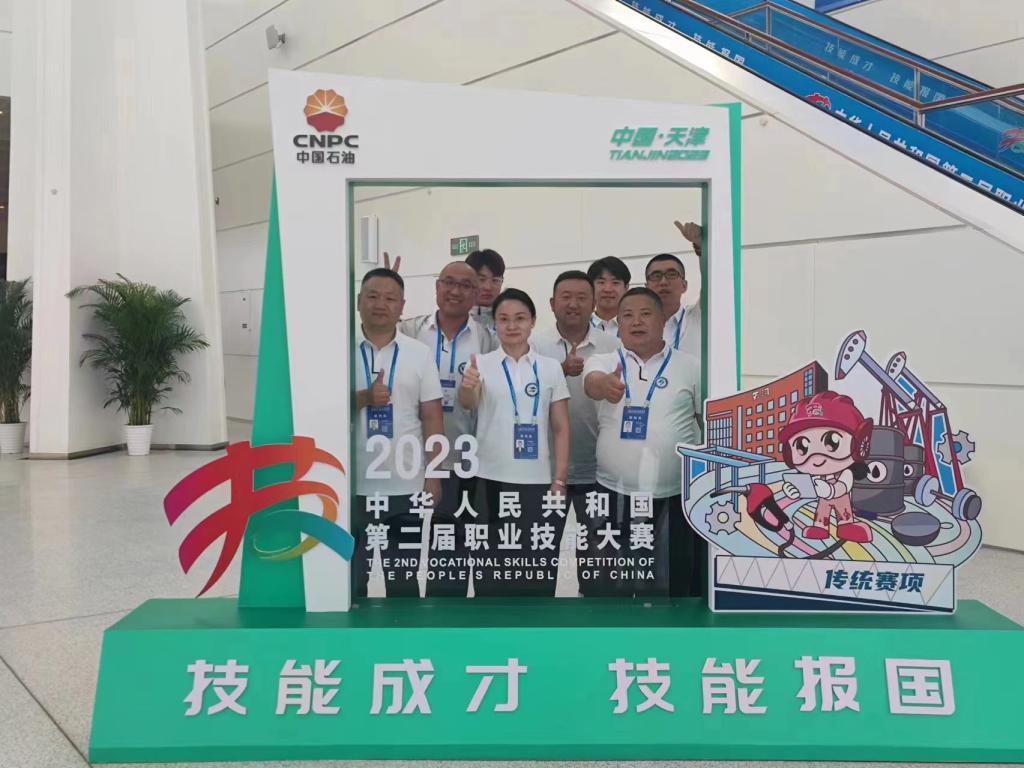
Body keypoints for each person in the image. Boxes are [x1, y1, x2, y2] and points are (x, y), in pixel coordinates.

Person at [583, 287, 704, 597]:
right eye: (627, 315)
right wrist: (606, 384)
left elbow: (705, 420)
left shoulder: (690, 366)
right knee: (610, 584)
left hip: (674, 494)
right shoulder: (604, 361)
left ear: (662, 319)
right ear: (619, 324)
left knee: (672, 583)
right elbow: (591, 383)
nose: (636, 321)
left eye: (645, 314)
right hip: (613, 491)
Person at [459, 288, 570, 596]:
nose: (512, 326)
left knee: (537, 566)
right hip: (489, 478)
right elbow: (468, 404)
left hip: (537, 481)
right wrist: (468, 386)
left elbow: (561, 427)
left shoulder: (550, 367)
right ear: (494, 324)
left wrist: (559, 480)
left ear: (532, 321)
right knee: (490, 567)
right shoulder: (480, 363)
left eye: (520, 318)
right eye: (504, 319)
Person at [398, 262, 495, 595]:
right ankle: (408, 607)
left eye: (465, 286)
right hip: (410, 454)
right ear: (437, 287)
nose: (455, 291)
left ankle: (447, 605)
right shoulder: (411, 330)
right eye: (448, 283)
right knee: (402, 540)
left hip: (463, 457)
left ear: (476, 294)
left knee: (451, 537)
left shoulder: (486, 338)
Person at [352, 268, 445, 598]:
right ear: (358, 301)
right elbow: (326, 410)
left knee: (403, 577)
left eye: (390, 298)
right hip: (352, 486)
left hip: (406, 483)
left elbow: (432, 416)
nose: (381, 304)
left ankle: (404, 632)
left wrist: (434, 474)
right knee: (351, 579)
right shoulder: (338, 350)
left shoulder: (418, 353)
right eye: (373, 296)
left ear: (402, 306)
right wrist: (364, 398)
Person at [532, 270, 617, 592]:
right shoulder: (534, 345)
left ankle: (595, 614)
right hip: (545, 471)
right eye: (565, 297)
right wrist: (557, 371)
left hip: (598, 470)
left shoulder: (612, 346)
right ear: (552, 303)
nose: (573, 304)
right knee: (541, 549)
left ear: (593, 304)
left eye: (582, 298)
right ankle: (538, 612)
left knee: (598, 554)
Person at [645, 220, 704, 360]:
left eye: (671, 274)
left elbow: (713, 283)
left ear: (684, 285)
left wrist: (701, 248)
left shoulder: (698, 316)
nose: (663, 282)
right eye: (656, 276)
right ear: (646, 287)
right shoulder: (636, 325)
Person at [465, 248, 505, 336]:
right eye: (481, 279)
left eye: (495, 280)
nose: (488, 287)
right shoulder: (453, 320)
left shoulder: (510, 323)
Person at [587, 256, 631, 335]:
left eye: (615, 283)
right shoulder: (580, 326)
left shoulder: (636, 325)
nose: (608, 289)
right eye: (601, 282)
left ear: (626, 288)